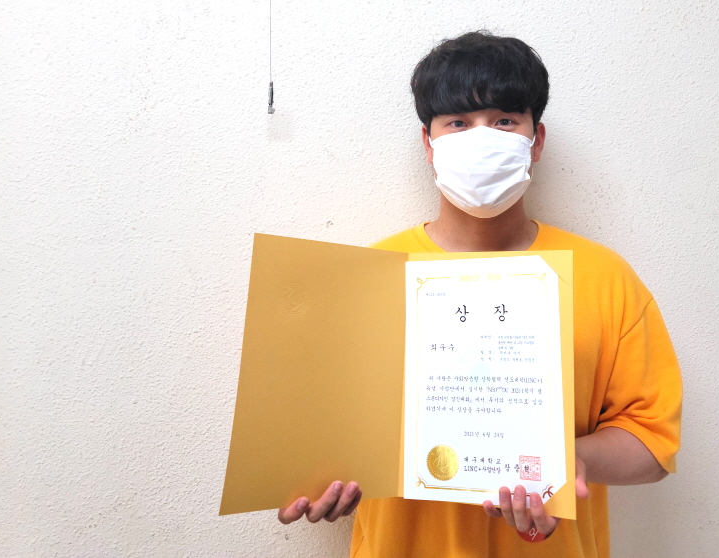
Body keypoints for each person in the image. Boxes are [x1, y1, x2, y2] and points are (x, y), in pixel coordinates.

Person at [278, 31, 682, 557]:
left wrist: (571, 460)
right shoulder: (368, 278)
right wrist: (321, 474)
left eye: (505, 121)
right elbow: (324, 424)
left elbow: (652, 442)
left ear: (536, 140)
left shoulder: (604, 276)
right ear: (428, 143)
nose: (482, 138)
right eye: (458, 123)